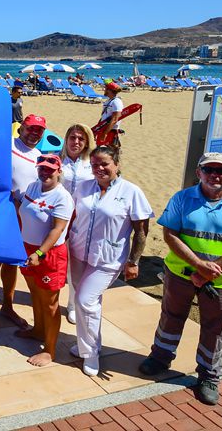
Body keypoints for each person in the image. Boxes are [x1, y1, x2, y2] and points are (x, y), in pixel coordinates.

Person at [138, 153, 222, 405]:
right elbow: (170, 234)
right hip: (181, 276)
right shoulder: (182, 198)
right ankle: (160, 357)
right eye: (209, 169)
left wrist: (208, 273)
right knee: (170, 316)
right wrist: (199, 266)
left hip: (219, 283)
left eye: (221, 170)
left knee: (214, 329)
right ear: (199, 172)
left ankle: (209, 376)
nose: (215, 174)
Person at [69, 145, 153, 376]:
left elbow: (142, 231)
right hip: (78, 253)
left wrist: (134, 261)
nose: (99, 168)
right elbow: (72, 215)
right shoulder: (84, 187)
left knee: (86, 301)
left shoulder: (131, 191)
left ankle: (92, 352)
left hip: (108, 258)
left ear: (116, 164)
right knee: (83, 301)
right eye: (95, 164)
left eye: (104, 164)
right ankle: (85, 343)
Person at [0, 114, 45, 331]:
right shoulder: (6, 145)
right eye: (31, 128)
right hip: (1, 211)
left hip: (22, 216)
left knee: (11, 262)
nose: (34, 133)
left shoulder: (38, 156)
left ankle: (7, 306)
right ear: (21, 129)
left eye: (39, 130)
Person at [16, 154, 74, 366]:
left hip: (48, 254)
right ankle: (38, 330)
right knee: (35, 293)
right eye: (42, 168)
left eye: (50, 168)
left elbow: (57, 229)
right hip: (28, 250)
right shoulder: (32, 187)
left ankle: (50, 350)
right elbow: (22, 210)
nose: (45, 172)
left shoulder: (62, 197)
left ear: (59, 171)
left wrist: (40, 253)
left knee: (50, 303)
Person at [58, 123, 95, 324]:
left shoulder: (92, 163)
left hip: (82, 221)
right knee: (55, 262)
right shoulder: (58, 160)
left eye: (81, 138)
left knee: (76, 264)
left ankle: (72, 304)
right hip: (58, 219)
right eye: (72, 137)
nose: (76, 142)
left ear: (87, 141)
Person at [97, 82, 124, 149]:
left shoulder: (116, 101)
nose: (104, 90)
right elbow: (104, 115)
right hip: (104, 129)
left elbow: (115, 118)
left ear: (109, 90)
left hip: (111, 130)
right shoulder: (109, 101)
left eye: (106, 89)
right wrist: (98, 127)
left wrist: (105, 133)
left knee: (110, 152)